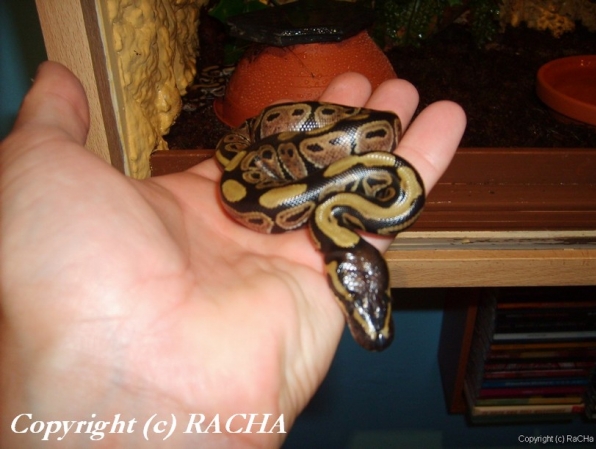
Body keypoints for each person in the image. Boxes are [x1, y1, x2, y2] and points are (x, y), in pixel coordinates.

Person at [0, 61, 466, 448]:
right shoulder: (340, 206)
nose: (366, 316)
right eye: (362, 302)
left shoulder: (335, 209)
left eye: (358, 305)